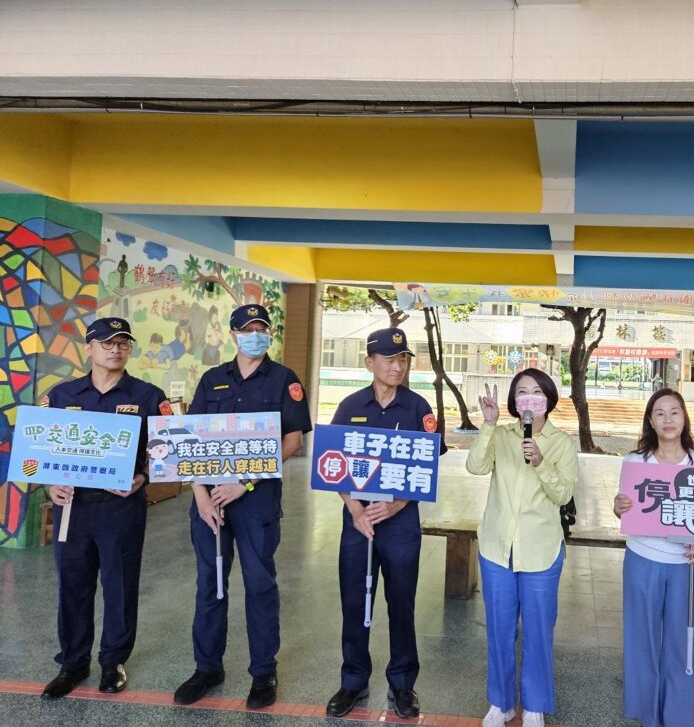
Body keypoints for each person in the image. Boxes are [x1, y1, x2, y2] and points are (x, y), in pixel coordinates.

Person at [173, 304, 311, 710]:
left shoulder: (284, 379)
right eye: (247, 329)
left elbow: (293, 441)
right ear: (233, 335)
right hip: (209, 501)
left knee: (259, 584)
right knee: (210, 584)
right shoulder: (213, 379)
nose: (255, 335)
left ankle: (263, 672)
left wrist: (244, 482)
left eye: (261, 329)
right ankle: (207, 667)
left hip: (256, 501)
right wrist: (200, 494)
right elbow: (189, 438)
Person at [41, 317, 172, 699]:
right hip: (74, 507)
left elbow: (167, 450)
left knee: (119, 585)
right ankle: (72, 662)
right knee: (73, 585)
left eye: (123, 343)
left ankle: (112, 660)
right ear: (90, 347)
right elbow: (39, 451)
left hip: (122, 507)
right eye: (107, 342)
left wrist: (144, 477)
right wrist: (51, 483)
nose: (115, 349)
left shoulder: (149, 396)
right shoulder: (62, 396)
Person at [326, 327, 446, 720]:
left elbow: (427, 468)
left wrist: (395, 507)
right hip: (358, 522)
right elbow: (333, 466)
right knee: (354, 601)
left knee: (401, 602)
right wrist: (355, 509)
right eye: (390, 359)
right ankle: (353, 680)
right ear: (369, 363)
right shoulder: (349, 406)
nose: (398, 365)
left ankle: (402, 684)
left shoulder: (417, 408)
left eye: (403, 359)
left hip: (400, 523)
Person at [468, 370, 579, 727]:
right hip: (497, 546)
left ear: (547, 398)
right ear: (515, 403)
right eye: (522, 392)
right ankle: (501, 703)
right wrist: (487, 424)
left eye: (536, 391)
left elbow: (563, 494)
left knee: (537, 630)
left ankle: (534, 704)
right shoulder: (501, 435)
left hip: (541, 549)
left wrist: (541, 463)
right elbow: (475, 467)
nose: (529, 398)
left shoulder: (562, 442)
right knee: (499, 628)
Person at [612, 388, 694, 727]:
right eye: (660, 413)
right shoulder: (635, 462)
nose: (668, 419)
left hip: (688, 565)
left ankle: (682, 716)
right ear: (650, 421)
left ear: (684, 418)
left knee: (686, 640)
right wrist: (618, 506)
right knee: (642, 639)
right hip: (642, 558)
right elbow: (623, 508)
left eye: (675, 412)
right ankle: (648, 715)